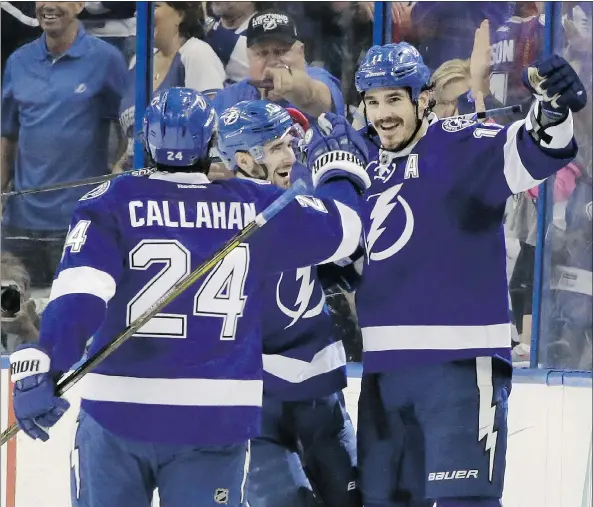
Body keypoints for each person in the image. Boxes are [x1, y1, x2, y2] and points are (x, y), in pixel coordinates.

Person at [8, 87, 370, 507]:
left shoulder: (110, 202)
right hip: (214, 418)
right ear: (211, 142)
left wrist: (49, 362)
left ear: (146, 141)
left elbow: (81, 296)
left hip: (119, 411)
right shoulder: (258, 206)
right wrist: (340, 174)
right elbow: (347, 230)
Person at [347, 42, 586, 507]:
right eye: (372, 101)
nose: (382, 114)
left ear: (423, 98)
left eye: (394, 99)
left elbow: (534, 150)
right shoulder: (360, 167)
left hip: (458, 366)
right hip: (381, 375)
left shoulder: (463, 143)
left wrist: (552, 109)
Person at [216, 99, 361, 507]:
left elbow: (344, 266)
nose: (290, 155)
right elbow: (347, 227)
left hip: (320, 400)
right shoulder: (278, 208)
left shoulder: (281, 202)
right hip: (257, 410)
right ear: (244, 159)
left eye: (289, 144)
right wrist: (340, 169)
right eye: (276, 146)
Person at [1, 1, 127, 288]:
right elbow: (6, 136)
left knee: (72, 321)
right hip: (19, 224)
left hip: (79, 223)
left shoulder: (107, 59)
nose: (47, 6)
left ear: (80, 4)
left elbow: (126, 128)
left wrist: (114, 181)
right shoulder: (18, 61)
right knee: (13, 320)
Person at [115, 1, 225, 172]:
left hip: (177, 179)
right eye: (139, 9)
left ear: (180, 14)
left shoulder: (196, 54)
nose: (139, 14)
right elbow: (132, 138)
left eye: (155, 6)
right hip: (134, 180)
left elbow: (214, 130)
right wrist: (119, 168)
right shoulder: (138, 60)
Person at [211, 9, 345, 121]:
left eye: (281, 51)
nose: (272, 61)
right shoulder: (228, 99)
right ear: (248, 57)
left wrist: (296, 89)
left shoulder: (318, 77)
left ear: (301, 52)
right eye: (262, 53)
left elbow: (319, 99)